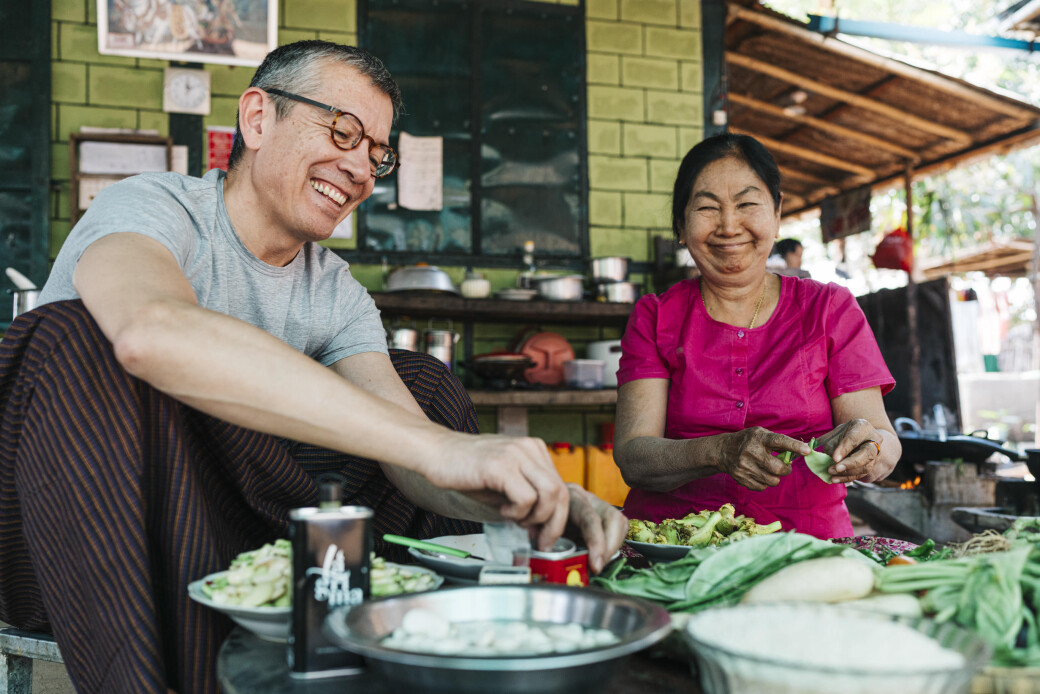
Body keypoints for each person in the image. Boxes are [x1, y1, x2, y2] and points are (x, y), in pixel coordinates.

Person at [0, 40, 625, 693]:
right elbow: (148, 333)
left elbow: (416, 461)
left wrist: (542, 498)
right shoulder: (154, 208)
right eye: (342, 131)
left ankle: (441, 652)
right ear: (258, 119)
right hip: (75, 545)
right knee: (76, 339)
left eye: (375, 153)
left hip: (228, 539)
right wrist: (436, 448)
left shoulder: (334, 291)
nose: (359, 167)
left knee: (424, 384)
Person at [613, 133, 900, 540]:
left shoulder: (829, 309)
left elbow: (884, 443)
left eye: (747, 204)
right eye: (708, 208)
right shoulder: (655, 316)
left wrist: (869, 447)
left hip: (806, 548)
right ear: (681, 225)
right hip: (672, 546)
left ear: (777, 213)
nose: (729, 226)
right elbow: (633, 456)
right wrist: (717, 452)